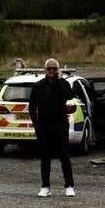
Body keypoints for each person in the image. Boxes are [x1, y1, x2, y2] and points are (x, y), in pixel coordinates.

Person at [29, 58, 76, 198]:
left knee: (64, 156)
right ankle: (45, 186)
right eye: (49, 68)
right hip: (44, 126)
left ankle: (69, 186)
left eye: (54, 68)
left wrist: (60, 79)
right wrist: (36, 125)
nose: (51, 71)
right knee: (45, 158)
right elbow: (32, 107)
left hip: (60, 125)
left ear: (58, 70)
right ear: (45, 70)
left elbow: (70, 95)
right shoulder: (38, 86)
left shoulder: (63, 83)